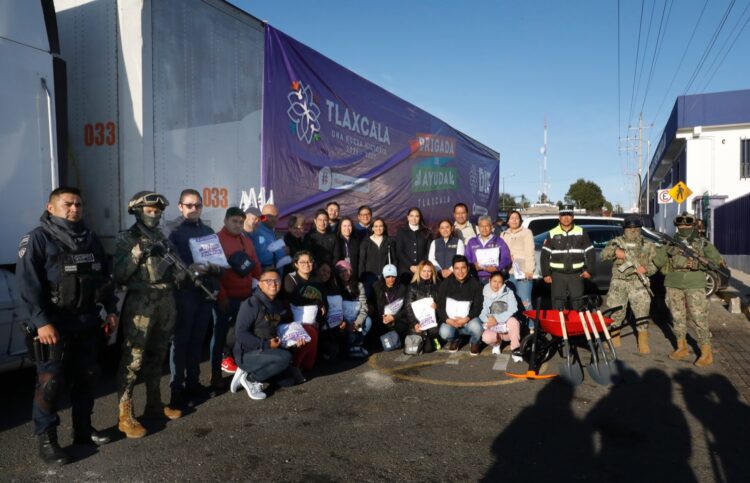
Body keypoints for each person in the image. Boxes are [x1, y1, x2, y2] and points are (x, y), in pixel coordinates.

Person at [16, 187, 118, 464]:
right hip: (54, 325)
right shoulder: (38, 238)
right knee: (50, 384)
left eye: (78, 204)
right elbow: (28, 284)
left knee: (87, 376)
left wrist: (111, 309)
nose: (74, 209)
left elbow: (103, 278)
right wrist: (41, 322)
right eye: (68, 204)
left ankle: (83, 431)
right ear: (51, 208)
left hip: (86, 321)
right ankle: (47, 441)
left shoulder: (90, 238)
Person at [114, 191, 183, 440]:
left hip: (165, 302)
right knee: (133, 359)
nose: (154, 215)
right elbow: (119, 274)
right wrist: (137, 252)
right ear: (137, 211)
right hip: (141, 304)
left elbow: (174, 266)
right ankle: (125, 414)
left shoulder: (162, 237)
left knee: (158, 354)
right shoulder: (126, 238)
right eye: (149, 211)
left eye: (157, 212)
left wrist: (180, 272)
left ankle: (154, 403)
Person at [166, 189, 219, 406]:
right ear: (180, 207)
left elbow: (217, 262)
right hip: (183, 293)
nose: (194, 209)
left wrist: (214, 271)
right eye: (189, 205)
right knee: (180, 342)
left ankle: (193, 383)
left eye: (198, 205)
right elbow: (166, 267)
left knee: (197, 340)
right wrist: (190, 269)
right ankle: (176, 389)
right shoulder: (172, 231)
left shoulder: (207, 230)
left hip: (204, 293)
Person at [654, 212, 724, 367]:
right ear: (677, 226)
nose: (684, 227)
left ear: (693, 226)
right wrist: (664, 249)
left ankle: (706, 353)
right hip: (673, 282)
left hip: (695, 284)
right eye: (681, 224)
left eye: (687, 224)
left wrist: (698, 264)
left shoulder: (702, 243)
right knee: (677, 317)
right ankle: (682, 348)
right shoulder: (670, 243)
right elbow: (658, 262)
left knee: (699, 317)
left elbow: (717, 261)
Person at [231, 268, 302, 400]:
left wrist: (294, 339)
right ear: (260, 284)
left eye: (276, 281)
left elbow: (280, 329)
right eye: (268, 281)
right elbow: (240, 334)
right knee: (284, 358)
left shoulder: (278, 304)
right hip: (248, 353)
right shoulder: (251, 304)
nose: (273, 284)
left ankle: (255, 371)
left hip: (268, 351)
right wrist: (266, 344)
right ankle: (251, 378)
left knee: (291, 379)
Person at [212, 207, 262, 388]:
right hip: (226, 298)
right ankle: (216, 374)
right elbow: (214, 273)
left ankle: (243, 366)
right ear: (225, 221)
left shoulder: (246, 241)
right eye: (234, 221)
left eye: (241, 222)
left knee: (241, 333)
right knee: (220, 336)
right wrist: (222, 296)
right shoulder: (216, 240)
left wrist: (261, 287)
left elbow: (255, 265)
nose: (238, 225)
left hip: (246, 296)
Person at [599, 215, 658, 353]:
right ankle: (614, 338)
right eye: (629, 228)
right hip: (619, 282)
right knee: (615, 311)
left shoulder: (648, 244)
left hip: (638, 282)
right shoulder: (616, 242)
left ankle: (643, 342)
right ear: (624, 229)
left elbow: (655, 264)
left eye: (636, 228)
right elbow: (603, 256)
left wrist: (646, 269)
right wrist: (615, 252)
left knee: (642, 311)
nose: (633, 231)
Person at [540, 205, 594, 311]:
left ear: (573, 216)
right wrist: (546, 274)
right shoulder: (552, 233)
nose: (566, 218)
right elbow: (544, 255)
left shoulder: (581, 232)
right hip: (557, 275)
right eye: (563, 215)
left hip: (576, 275)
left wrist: (589, 270)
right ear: (559, 217)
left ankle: (577, 322)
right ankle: (559, 322)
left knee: (578, 304)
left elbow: (590, 252)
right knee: (557, 304)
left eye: (569, 215)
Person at [282, 251, 323, 373]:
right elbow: (294, 299)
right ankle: (295, 366)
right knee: (311, 333)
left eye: (309, 261)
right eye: (303, 262)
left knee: (309, 366)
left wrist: (321, 303)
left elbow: (323, 297)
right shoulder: (290, 278)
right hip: (294, 320)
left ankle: (302, 365)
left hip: (312, 319)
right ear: (296, 264)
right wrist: (316, 302)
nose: (307, 264)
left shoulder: (316, 278)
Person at [437, 255, 484, 355]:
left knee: (478, 328)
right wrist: (448, 320)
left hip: (468, 320)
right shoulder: (445, 284)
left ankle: (474, 341)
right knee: (444, 332)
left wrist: (466, 319)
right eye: (457, 268)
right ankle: (455, 339)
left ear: (468, 268)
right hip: (451, 321)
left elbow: (478, 306)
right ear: (453, 269)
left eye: (463, 268)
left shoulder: (475, 284)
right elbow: (440, 306)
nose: (460, 271)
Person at [500, 210, 535, 316]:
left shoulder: (526, 232)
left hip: (523, 273)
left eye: (517, 218)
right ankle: (517, 323)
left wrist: (529, 270)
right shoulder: (503, 234)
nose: (514, 220)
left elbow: (530, 252)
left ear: (520, 220)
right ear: (508, 221)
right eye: (511, 218)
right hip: (508, 273)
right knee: (510, 302)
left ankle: (531, 324)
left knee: (525, 301)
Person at [480, 271, 522, 360]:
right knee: (486, 337)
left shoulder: (509, 292)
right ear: (489, 280)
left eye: (499, 282)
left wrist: (497, 319)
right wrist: (488, 318)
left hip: (506, 328)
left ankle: (516, 349)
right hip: (494, 326)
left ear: (503, 283)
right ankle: (496, 344)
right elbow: (482, 312)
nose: (496, 284)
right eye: (494, 281)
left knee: (513, 322)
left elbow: (513, 308)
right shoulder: (485, 292)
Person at [334, 260, 371, 358]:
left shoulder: (359, 286)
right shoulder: (336, 288)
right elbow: (335, 309)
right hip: (344, 321)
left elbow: (364, 307)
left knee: (368, 322)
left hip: (356, 320)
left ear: (350, 270)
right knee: (348, 335)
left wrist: (357, 323)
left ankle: (357, 344)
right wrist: (347, 324)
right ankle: (348, 346)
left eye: (346, 270)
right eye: (341, 272)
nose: (344, 273)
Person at [404, 261, 440, 353]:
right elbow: (408, 308)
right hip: (418, 322)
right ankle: (426, 338)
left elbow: (443, 303)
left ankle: (435, 338)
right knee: (424, 348)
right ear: (419, 272)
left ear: (432, 272)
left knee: (429, 349)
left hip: (433, 321)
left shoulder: (437, 285)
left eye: (429, 271)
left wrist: (437, 306)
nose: (426, 274)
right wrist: (415, 323)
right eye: (424, 271)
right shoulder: (412, 287)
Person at [465, 215, 511, 284]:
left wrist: (497, 268)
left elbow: (506, 258)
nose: (484, 229)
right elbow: (466, 258)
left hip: (494, 278)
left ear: (491, 227)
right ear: (478, 227)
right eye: (481, 226)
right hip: (475, 277)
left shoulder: (499, 241)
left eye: (487, 226)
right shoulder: (471, 242)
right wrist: (473, 266)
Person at [358, 217, 396, 297]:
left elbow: (394, 260)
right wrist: (362, 278)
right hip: (370, 278)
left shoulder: (389, 241)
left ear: (384, 227)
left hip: (385, 277)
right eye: (376, 226)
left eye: (381, 226)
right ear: (372, 228)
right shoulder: (365, 242)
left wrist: (392, 276)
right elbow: (362, 261)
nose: (378, 228)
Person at [395, 207, 432, 284]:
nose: (414, 218)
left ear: (420, 218)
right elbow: (399, 252)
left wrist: (420, 266)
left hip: (422, 270)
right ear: (408, 217)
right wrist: (410, 266)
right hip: (405, 270)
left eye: (416, 216)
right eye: (411, 216)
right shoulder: (401, 231)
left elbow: (429, 252)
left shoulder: (427, 232)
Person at [372, 264, 409, 340]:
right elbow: (373, 305)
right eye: (388, 277)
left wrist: (393, 317)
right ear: (384, 277)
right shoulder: (377, 287)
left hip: (397, 320)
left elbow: (406, 309)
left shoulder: (402, 289)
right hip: (381, 319)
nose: (391, 279)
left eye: (393, 276)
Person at [249, 203, 285, 269]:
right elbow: (263, 258)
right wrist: (282, 250)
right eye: (270, 216)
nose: (274, 219)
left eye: (276, 216)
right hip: (266, 272)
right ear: (262, 217)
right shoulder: (258, 233)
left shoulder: (271, 231)